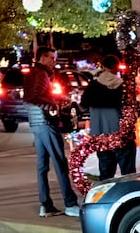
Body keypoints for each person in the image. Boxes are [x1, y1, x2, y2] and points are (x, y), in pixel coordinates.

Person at [24, 47, 79, 216]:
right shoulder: (40, 74)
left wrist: (59, 99)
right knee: (60, 163)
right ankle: (70, 204)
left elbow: (39, 95)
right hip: (45, 122)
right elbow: (32, 97)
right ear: (42, 58)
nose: (54, 61)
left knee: (42, 166)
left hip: (37, 122)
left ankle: (45, 205)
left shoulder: (37, 73)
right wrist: (52, 107)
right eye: (51, 58)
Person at [81, 55, 133, 179]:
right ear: (116, 67)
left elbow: (83, 105)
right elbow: (129, 108)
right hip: (119, 132)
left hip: (100, 133)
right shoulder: (121, 86)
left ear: (103, 67)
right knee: (128, 172)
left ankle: (107, 196)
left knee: (106, 172)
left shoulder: (93, 86)